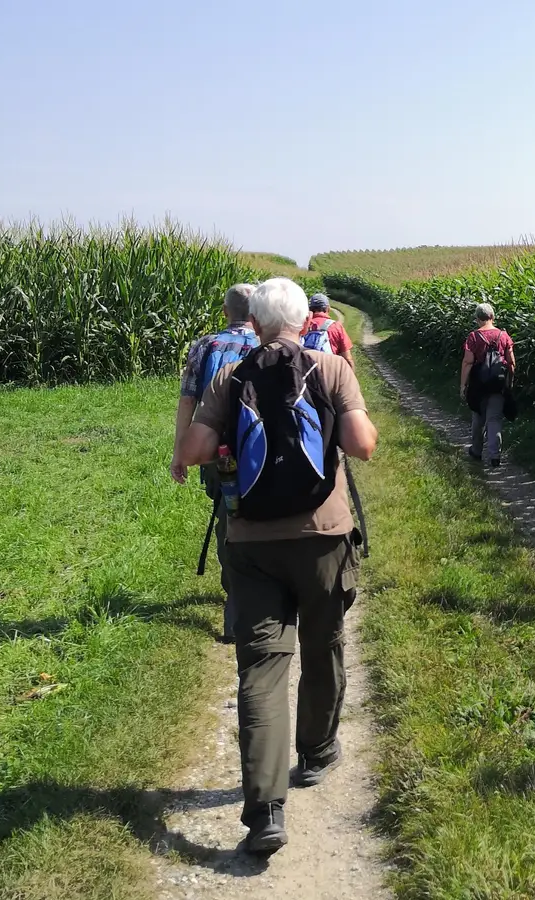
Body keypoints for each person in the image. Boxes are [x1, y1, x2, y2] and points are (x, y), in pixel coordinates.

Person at [178, 277, 378, 855]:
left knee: (261, 670)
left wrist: (218, 448)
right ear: (301, 319)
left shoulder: (230, 376)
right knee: (322, 645)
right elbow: (362, 444)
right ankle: (316, 752)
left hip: (251, 543)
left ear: (258, 322)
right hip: (323, 537)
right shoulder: (331, 368)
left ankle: (265, 810)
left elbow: (193, 451)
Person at [171, 282, 259, 642]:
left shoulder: (204, 346)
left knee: (228, 515)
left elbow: (187, 402)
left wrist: (180, 452)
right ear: (256, 315)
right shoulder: (265, 343)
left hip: (216, 452)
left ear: (225, 312)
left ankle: (235, 606)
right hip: (259, 449)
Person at [458, 302, 516, 467]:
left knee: (478, 418)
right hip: (498, 384)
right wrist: (509, 382)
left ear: (477, 319)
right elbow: (511, 363)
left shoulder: (473, 337)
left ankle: (476, 451)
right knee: (495, 419)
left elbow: (468, 362)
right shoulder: (503, 336)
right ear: (493, 317)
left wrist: (463, 386)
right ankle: (494, 456)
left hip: (478, 385)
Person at [302, 292, 355, 369]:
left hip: (306, 374)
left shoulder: (303, 325)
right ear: (328, 308)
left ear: (310, 309)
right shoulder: (336, 326)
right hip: (329, 373)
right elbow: (348, 359)